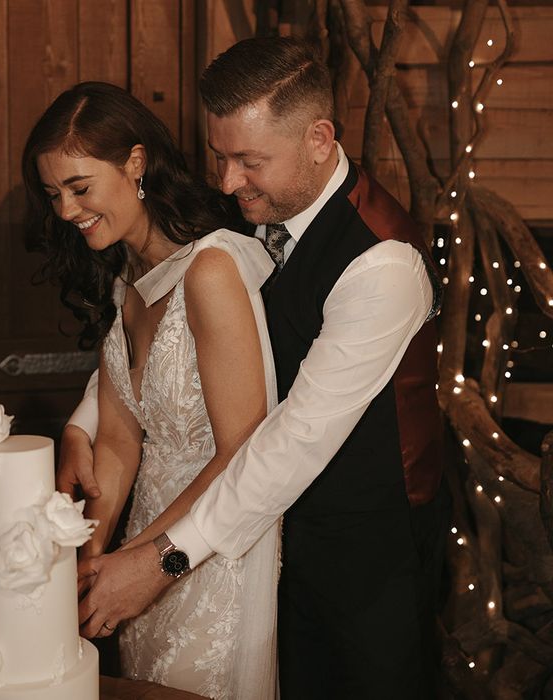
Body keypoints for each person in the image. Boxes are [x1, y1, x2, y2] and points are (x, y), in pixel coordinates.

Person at [69, 38, 450, 699]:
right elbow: (162, 319)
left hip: (363, 560)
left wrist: (164, 560)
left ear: (320, 139)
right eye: (220, 156)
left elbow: (295, 440)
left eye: (248, 161)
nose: (226, 181)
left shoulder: (384, 264)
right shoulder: (249, 205)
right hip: (257, 553)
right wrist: (85, 417)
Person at [22, 81, 281, 700]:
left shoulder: (212, 269)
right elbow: (116, 438)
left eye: (79, 188)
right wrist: (89, 560)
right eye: (53, 194)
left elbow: (240, 449)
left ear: (134, 163)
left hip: (215, 550)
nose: (64, 211)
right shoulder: (126, 280)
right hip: (143, 552)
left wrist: (142, 559)